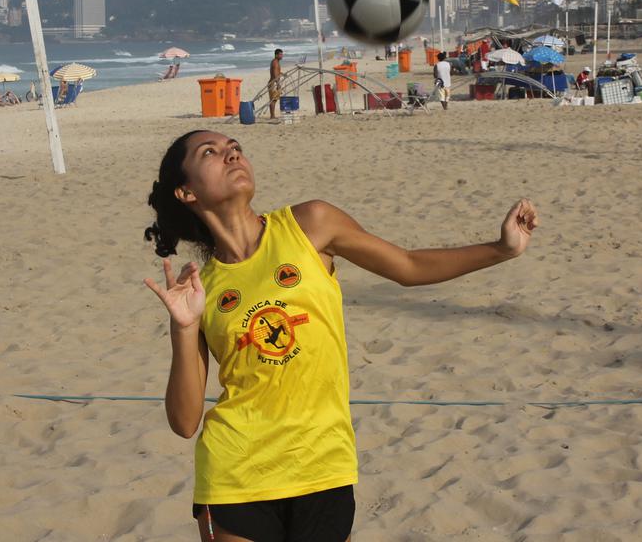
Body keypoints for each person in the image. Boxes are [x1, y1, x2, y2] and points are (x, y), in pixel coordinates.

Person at [142, 131, 537, 542]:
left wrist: (501, 249)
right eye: (211, 152)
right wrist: (184, 327)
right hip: (235, 471)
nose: (231, 154)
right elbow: (185, 422)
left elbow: (408, 265)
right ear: (186, 192)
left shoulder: (310, 224)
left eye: (234, 148)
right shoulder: (201, 290)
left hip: (323, 464)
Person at [268, 49, 283, 121]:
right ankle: (272, 116)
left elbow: (277, 71)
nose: (281, 56)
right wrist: (278, 83)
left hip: (274, 82)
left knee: (274, 99)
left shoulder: (276, 62)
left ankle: (272, 115)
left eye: (282, 54)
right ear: (276, 55)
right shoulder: (275, 62)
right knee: (273, 100)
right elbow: (274, 74)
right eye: (280, 54)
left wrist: (282, 73)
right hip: (273, 83)